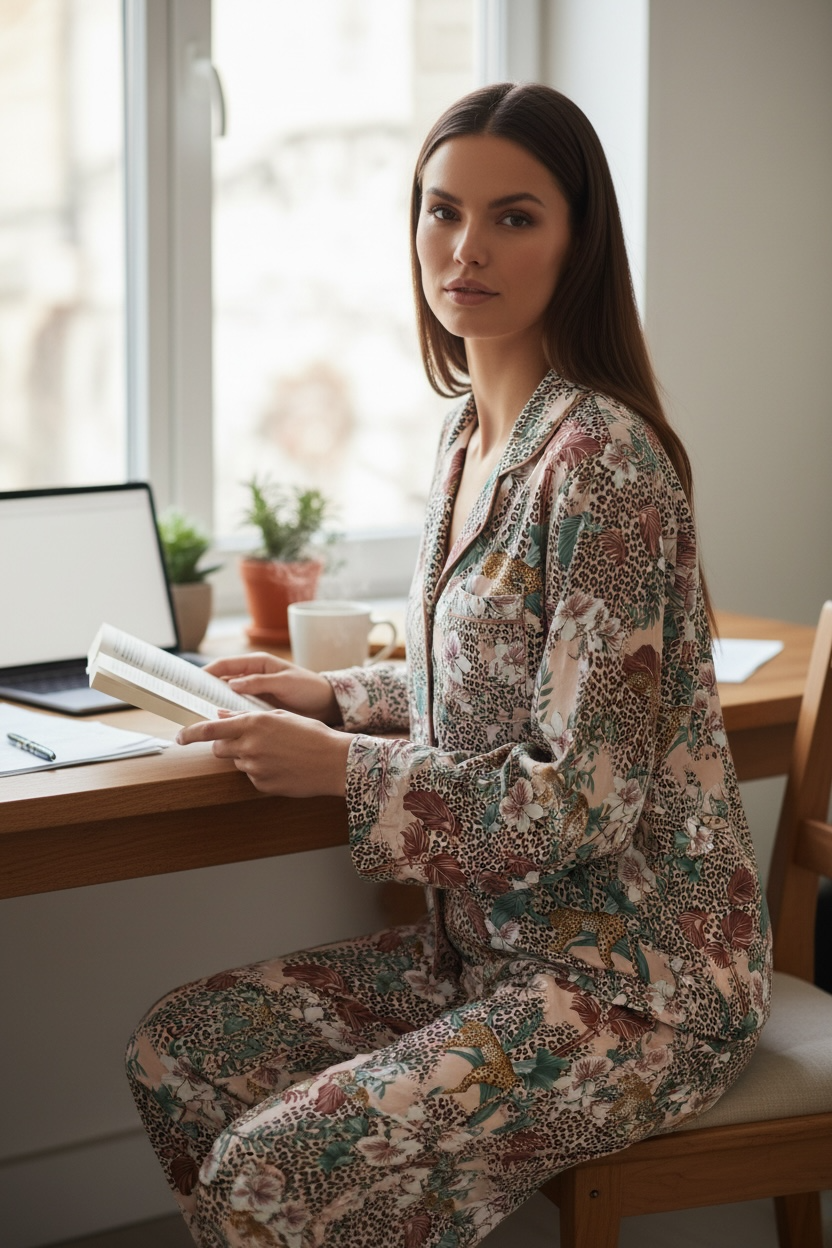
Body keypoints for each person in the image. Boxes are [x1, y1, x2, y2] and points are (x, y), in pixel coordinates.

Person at [126, 83, 771, 1248]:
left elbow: (580, 798)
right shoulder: (468, 434)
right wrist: (335, 696)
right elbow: (487, 685)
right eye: (440, 211)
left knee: (266, 1174)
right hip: (482, 956)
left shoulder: (603, 465)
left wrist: (340, 769)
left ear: (577, 243)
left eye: (514, 217)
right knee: (184, 1050)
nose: (464, 248)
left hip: (636, 988)